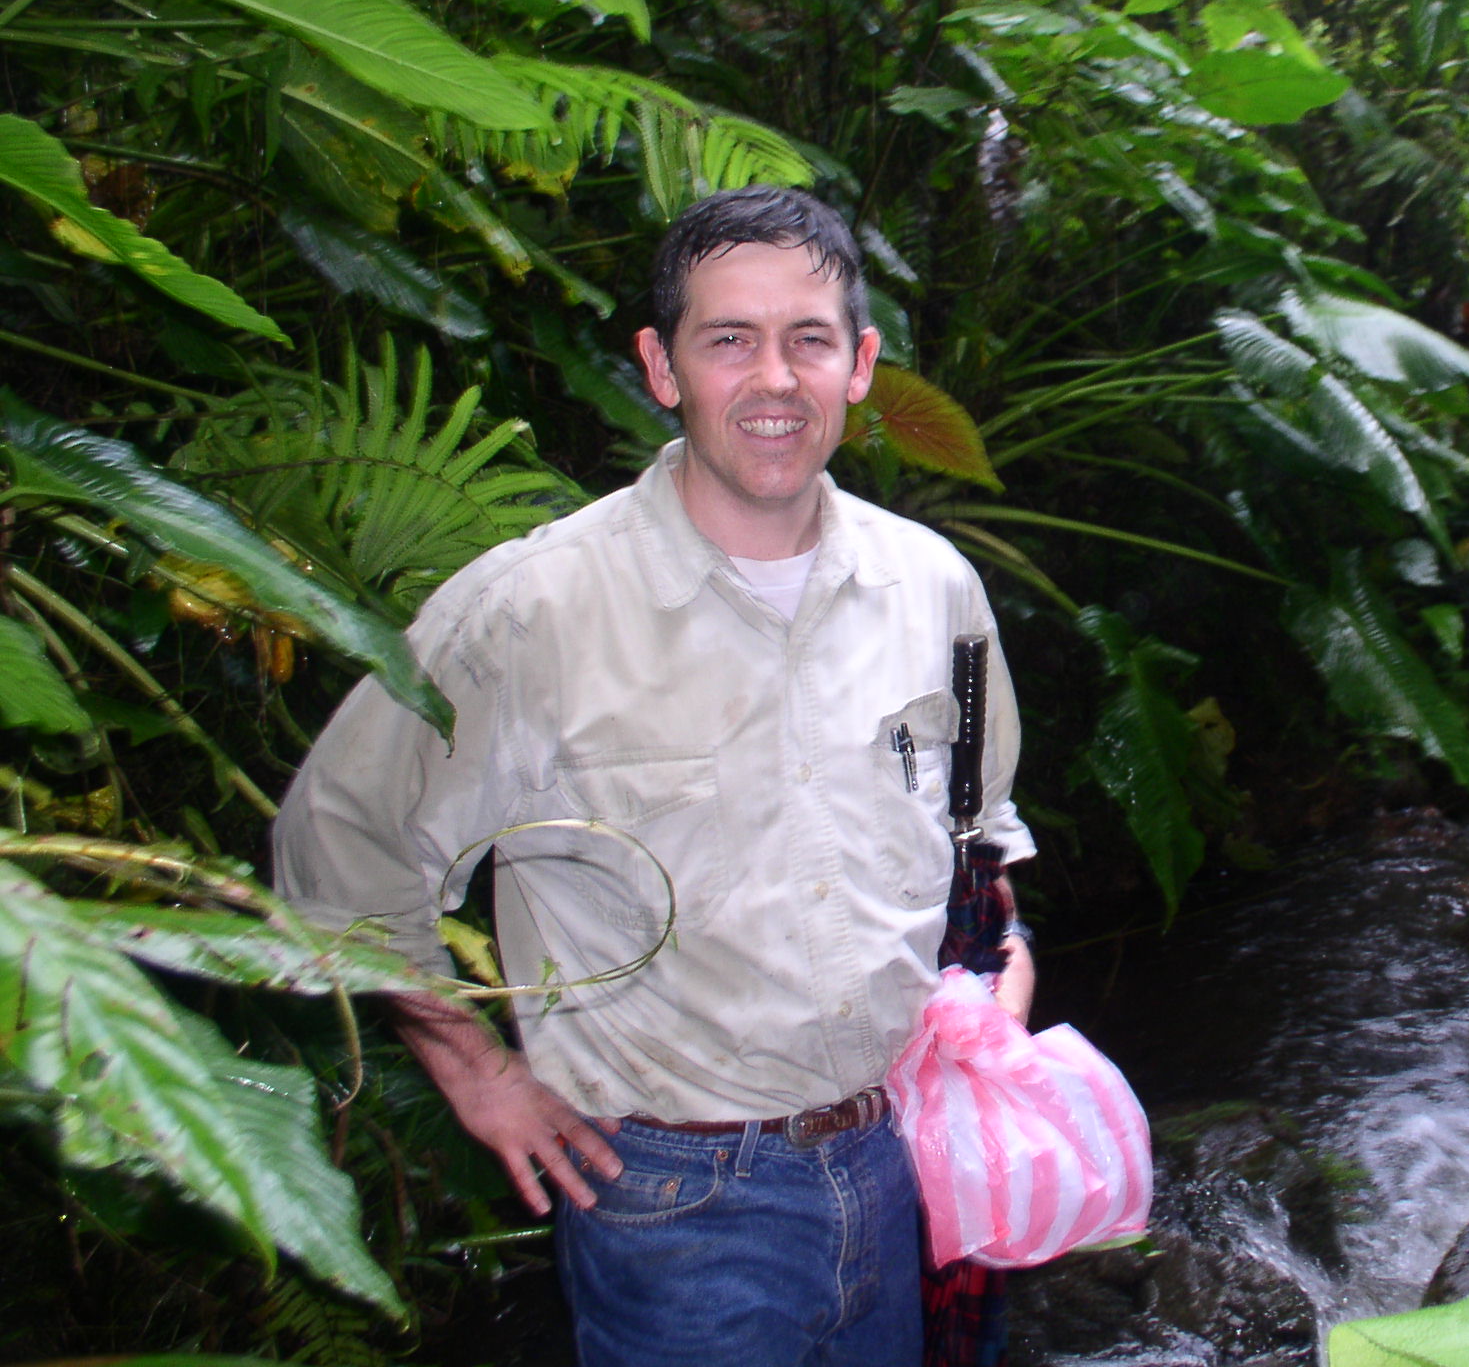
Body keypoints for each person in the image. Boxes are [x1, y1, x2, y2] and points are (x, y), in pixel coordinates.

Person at [272, 186, 1035, 1367]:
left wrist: (1000, 970)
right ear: (661, 367)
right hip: (677, 1202)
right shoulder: (529, 613)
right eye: (729, 339)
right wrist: (476, 1073)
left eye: (808, 340)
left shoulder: (937, 592)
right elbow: (337, 845)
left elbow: (982, 819)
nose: (773, 379)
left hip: (901, 1159)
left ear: (860, 364)